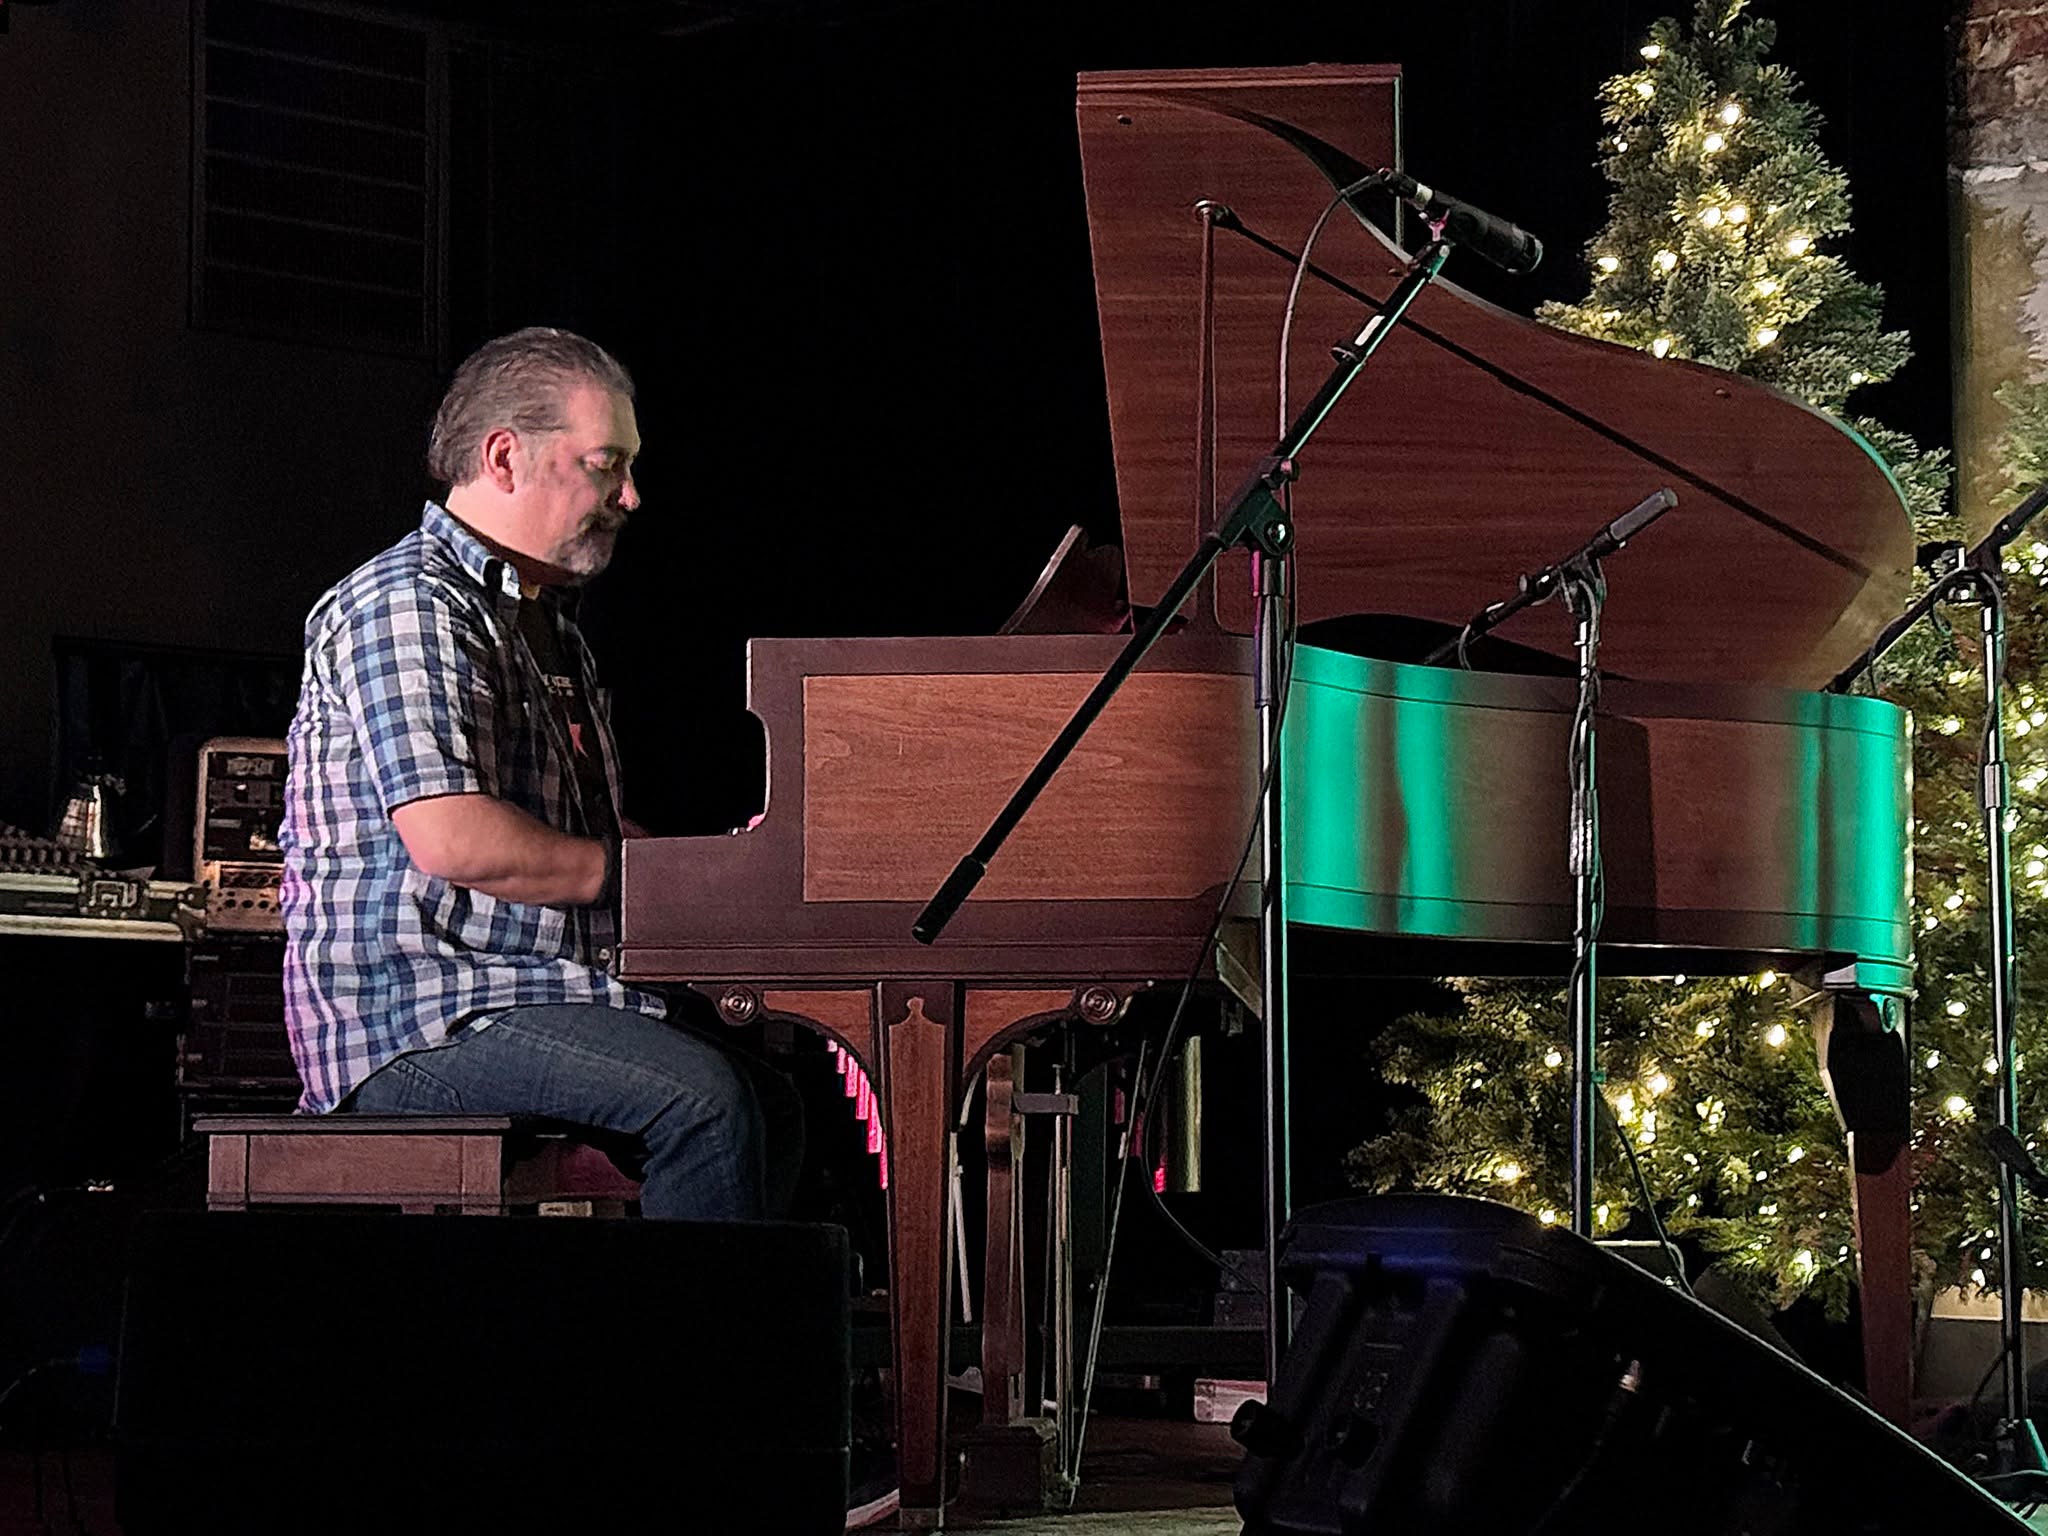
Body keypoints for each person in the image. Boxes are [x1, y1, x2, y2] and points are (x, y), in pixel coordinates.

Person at [279, 326, 799, 1220]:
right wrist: (661, 879)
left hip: (521, 994)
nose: (631, 496)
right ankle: (717, 1364)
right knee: (704, 1101)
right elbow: (455, 840)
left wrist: (722, 874)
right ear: (506, 457)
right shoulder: (409, 603)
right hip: (415, 1015)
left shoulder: (548, 628)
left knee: (777, 1101)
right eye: (606, 464)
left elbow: (579, 846)